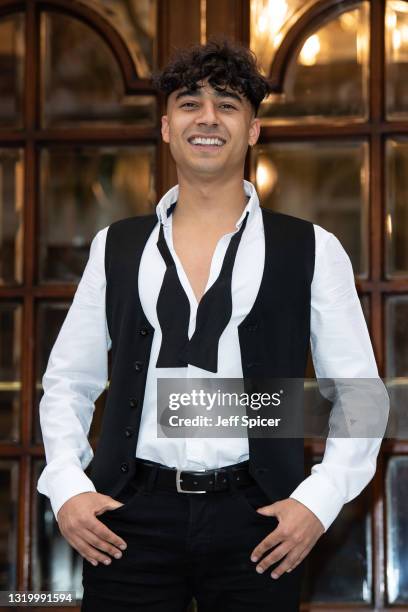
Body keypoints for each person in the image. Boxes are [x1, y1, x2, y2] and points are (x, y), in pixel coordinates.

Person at [37, 38, 389, 611]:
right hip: (129, 515)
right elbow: (67, 383)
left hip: (261, 519)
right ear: (166, 127)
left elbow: (360, 396)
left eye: (227, 104)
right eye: (189, 103)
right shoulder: (116, 246)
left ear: (253, 130)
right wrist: (70, 488)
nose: (207, 118)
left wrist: (318, 501)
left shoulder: (312, 248)